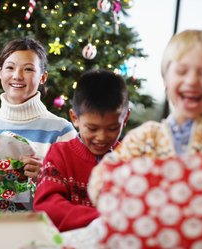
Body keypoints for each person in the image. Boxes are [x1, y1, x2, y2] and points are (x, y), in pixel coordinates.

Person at [88, 29, 202, 205]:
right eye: (182, 71)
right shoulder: (145, 137)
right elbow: (100, 184)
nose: (192, 81)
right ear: (165, 79)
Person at [0, 37, 77, 211]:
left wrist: (47, 177)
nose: (17, 76)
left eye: (28, 69)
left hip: (35, 231)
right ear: (0, 73)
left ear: (43, 77)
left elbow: (75, 194)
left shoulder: (61, 131)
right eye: (10, 68)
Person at [33, 68, 130, 232]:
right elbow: (47, 206)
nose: (101, 137)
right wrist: (102, 219)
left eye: (112, 128)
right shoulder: (60, 154)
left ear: (125, 118)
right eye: (92, 129)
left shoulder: (130, 159)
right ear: (75, 118)